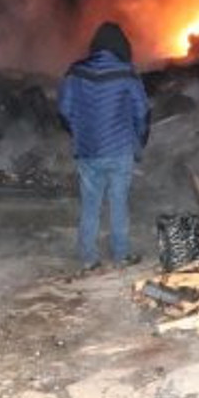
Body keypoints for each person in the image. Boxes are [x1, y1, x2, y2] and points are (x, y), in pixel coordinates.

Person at [58, 21, 150, 271]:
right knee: (119, 203)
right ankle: (121, 255)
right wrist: (140, 140)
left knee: (90, 204)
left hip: (87, 151)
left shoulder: (75, 72)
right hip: (120, 150)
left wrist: (77, 132)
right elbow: (142, 112)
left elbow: (64, 110)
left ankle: (89, 258)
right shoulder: (127, 72)